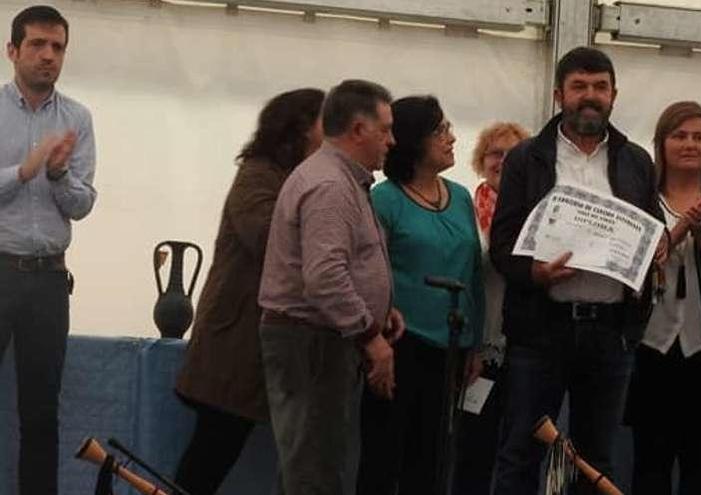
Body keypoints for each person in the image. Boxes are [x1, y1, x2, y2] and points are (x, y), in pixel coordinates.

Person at [489, 46, 665, 495]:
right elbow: (503, 245)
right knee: (521, 452)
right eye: (579, 87)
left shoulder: (637, 161)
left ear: (614, 95)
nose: (591, 96)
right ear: (558, 95)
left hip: (610, 333)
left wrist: (655, 247)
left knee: (595, 461)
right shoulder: (526, 158)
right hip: (540, 330)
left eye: (600, 87)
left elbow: (651, 232)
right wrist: (535, 274)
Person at [173, 88, 325, 495]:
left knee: (219, 450)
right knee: (210, 455)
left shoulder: (291, 177)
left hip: (257, 341)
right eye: (323, 122)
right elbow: (268, 236)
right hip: (235, 341)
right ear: (298, 127)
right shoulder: (258, 174)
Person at [258, 79, 403, 495]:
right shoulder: (331, 186)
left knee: (315, 464)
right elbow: (324, 277)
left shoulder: (341, 179)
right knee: (314, 472)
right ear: (358, 130)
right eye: (386, 129)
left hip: (319, 339)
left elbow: (342, 263)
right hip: (312, 341)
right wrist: (370, 334)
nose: (392, 141)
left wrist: (380, 308)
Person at [357, 95, 485, 495]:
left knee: (432, 459)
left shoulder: (462, 196)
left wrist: (475, 342)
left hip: (451, 347)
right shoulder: (385, 198)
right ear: (414, 140)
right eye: (440, 130)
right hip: (399, 344)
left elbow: (474, 272)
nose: (451, 138)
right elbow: (367, 270)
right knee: (384, 453)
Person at [624, 101, 701, 494]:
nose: (690, 144)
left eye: (700, 137)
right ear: (661, 143)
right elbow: (634, 264)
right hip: (650, 348)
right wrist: (677, 229)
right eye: (679, 135)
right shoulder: (638, 198)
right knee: (650, 465)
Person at [0, 6, 96, 495]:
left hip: (48, 280)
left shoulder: (77, 118)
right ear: (12, 50)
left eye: (57, 47)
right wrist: (23, 169)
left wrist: (57, 173)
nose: (48, 55)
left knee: (41, 412)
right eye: (37, 44)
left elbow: (82, 205)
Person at [454, 121, 529, 495]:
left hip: (528, 351)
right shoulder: (461, 211)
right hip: (478, 353)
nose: (504, 160)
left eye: (514, 154)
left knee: (519, 454)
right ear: (481, 161)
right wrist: (472, 347)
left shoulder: (537, 215)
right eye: (495, 153)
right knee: (473, 451)